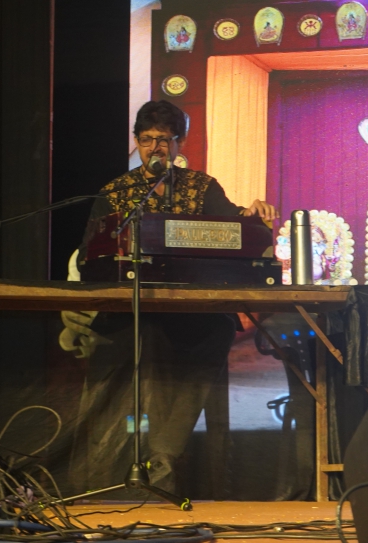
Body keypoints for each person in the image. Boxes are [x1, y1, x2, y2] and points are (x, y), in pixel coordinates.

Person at [65, 99, 278, 492]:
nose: (156, 148)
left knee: (218, 329)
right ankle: (105, 469)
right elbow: (87, 254)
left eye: (164, 140)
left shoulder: (202, 187)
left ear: (179, 143)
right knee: (137, 337)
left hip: (189, 310)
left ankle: (163, 454)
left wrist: (254, 213)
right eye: (147, 139)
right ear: (136, 141)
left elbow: (237, 226)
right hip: (130, 309)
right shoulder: (115, 192)